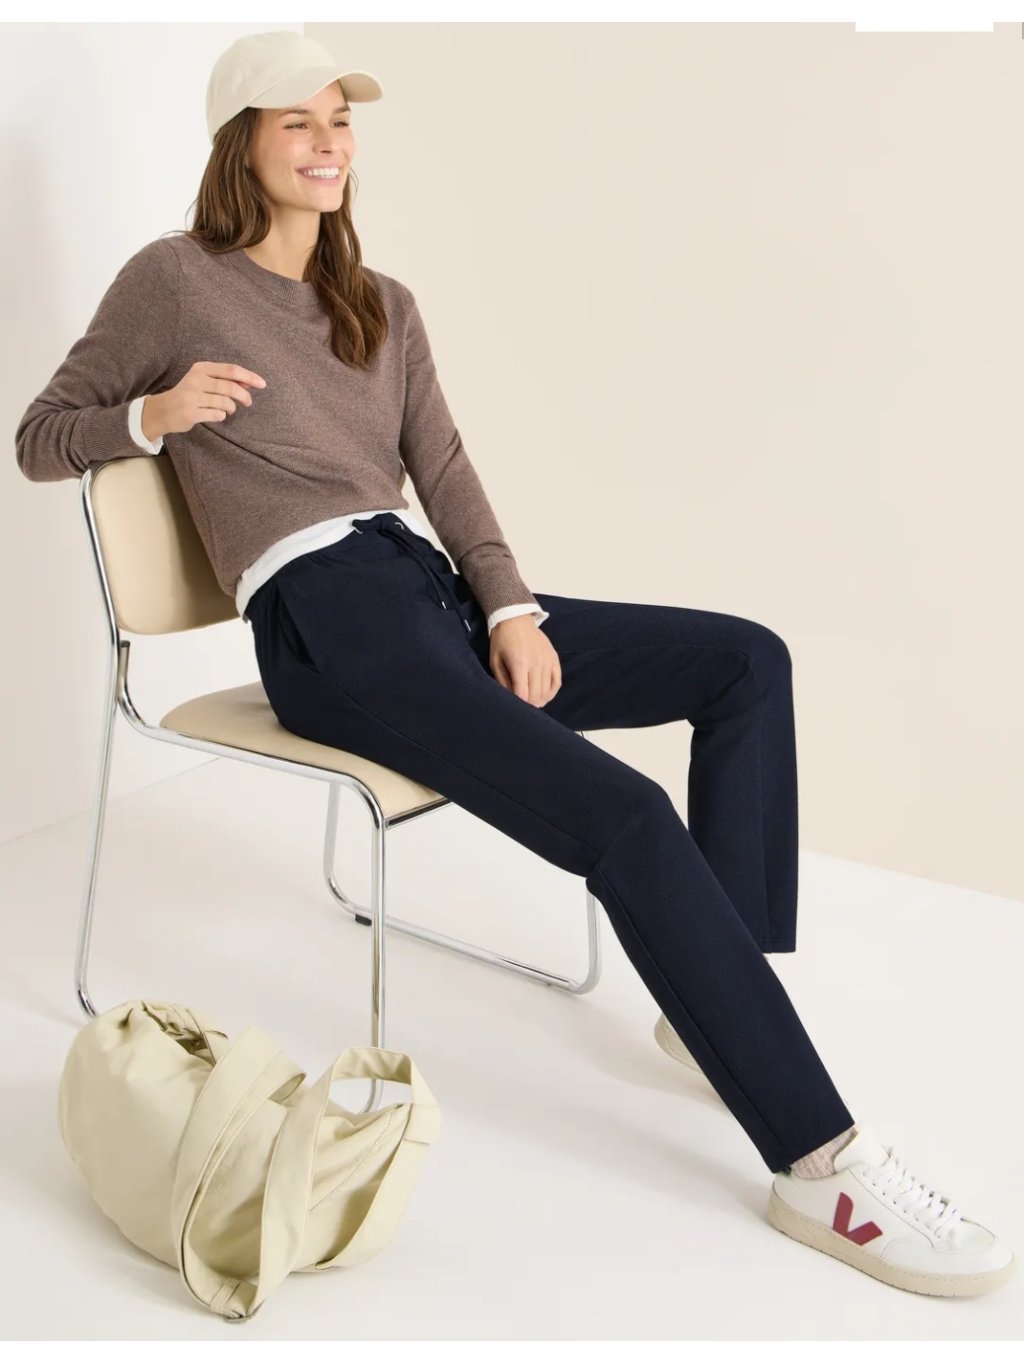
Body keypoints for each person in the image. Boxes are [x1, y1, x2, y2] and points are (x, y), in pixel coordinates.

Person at [15, 31, 1015, 1298]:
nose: (328, 144)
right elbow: (38, 437)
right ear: (240, 145)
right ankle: (824, 1167)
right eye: (297, 123)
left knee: (744, 664)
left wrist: (509, 607)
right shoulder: (174, 281)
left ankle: (716, 1002)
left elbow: (444, 471)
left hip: (423, 594)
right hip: (326, 621)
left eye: (340, 121)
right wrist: (148, 418)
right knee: (625, 815)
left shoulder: (384, 304)